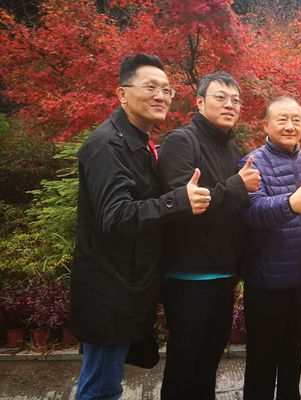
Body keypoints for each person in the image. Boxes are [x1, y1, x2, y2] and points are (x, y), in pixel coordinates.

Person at [71, 53, 211, 399]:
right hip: (109, 291)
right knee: (101, 387)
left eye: (166, 90)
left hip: (126, 288)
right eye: (150, 87)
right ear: (122, 94)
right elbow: (116, 216)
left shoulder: (139, 143)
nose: (161, 96)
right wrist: (178, 201)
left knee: (107, 382)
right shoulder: (108, 145)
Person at [157, 71, 261, 399]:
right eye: (220, 97)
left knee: (210, 358)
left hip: (224, 274)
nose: (230, 105)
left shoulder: (234, 151)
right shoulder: (180, 142)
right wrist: (237, 186)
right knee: (184, 363)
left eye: (235, 100)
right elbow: (183, 205)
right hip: (188, 276)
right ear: (200, 102)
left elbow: (239, 210)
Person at [240, 96, 301, 400]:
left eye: (296, 120)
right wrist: (290, 204)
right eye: (282, 120)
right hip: (267, 283)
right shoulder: (252, 163)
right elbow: (251, 213)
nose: (290, 126)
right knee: (262, 359)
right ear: (266, 125)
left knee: (293, 356)